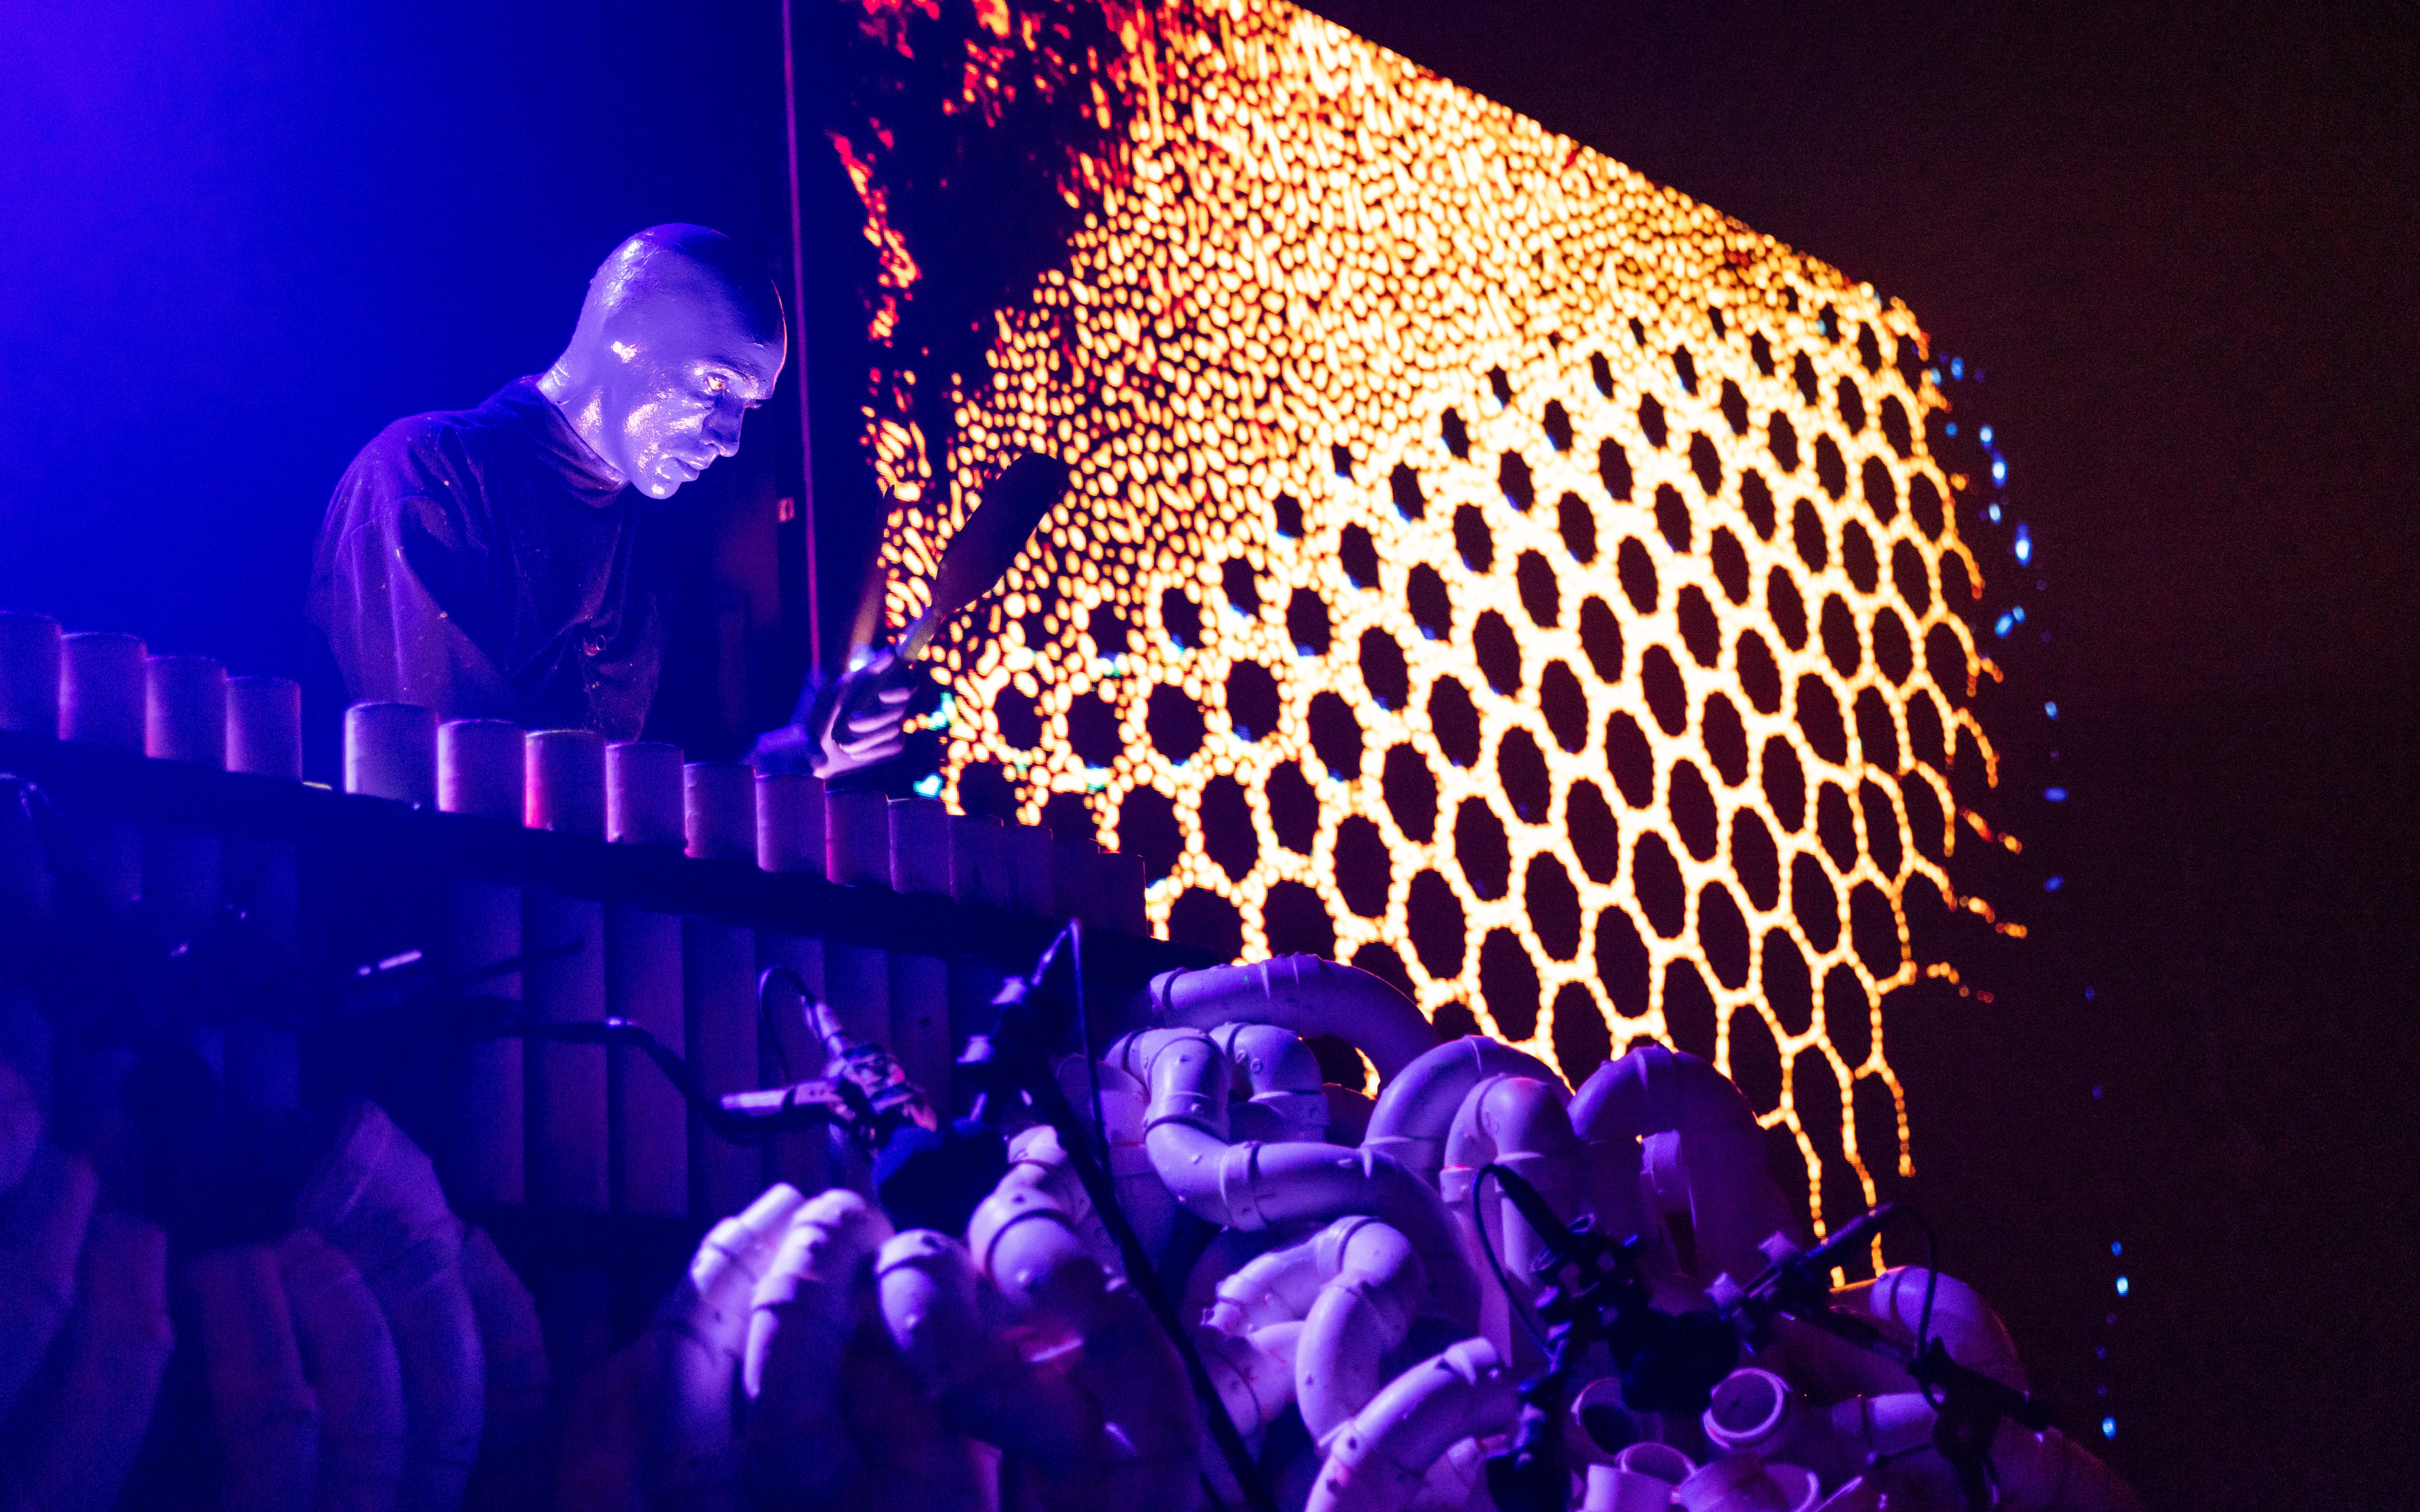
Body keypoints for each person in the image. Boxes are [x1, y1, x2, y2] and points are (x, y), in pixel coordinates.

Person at [311, 223, 908, 765]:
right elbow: (440, 782)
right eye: (716, 382)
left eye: (748, 407)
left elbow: (628, 798)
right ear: (626, 334)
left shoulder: (647, 542)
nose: (730, 440)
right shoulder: (426, 474)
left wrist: (792, 759)